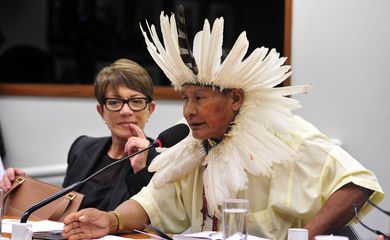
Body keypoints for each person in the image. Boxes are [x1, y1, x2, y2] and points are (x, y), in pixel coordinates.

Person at [62, 12, 384, 240]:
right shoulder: (191, 146)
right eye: (185, 99)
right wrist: (110, 220)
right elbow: (154, 200)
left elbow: (357, 182)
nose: (189, 111)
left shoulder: (284, 134)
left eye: (199, 98)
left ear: (236, 98)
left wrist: (307, 238)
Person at [0, 58, 157, 211]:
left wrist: (140, 170)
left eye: (136, 101)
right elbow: (60, 211)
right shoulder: (82, 148)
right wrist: (19, 186)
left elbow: (151, 221)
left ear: (150, 109)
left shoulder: (161, 160)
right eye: (114, 102)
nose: (125, 111)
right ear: (101, 111)